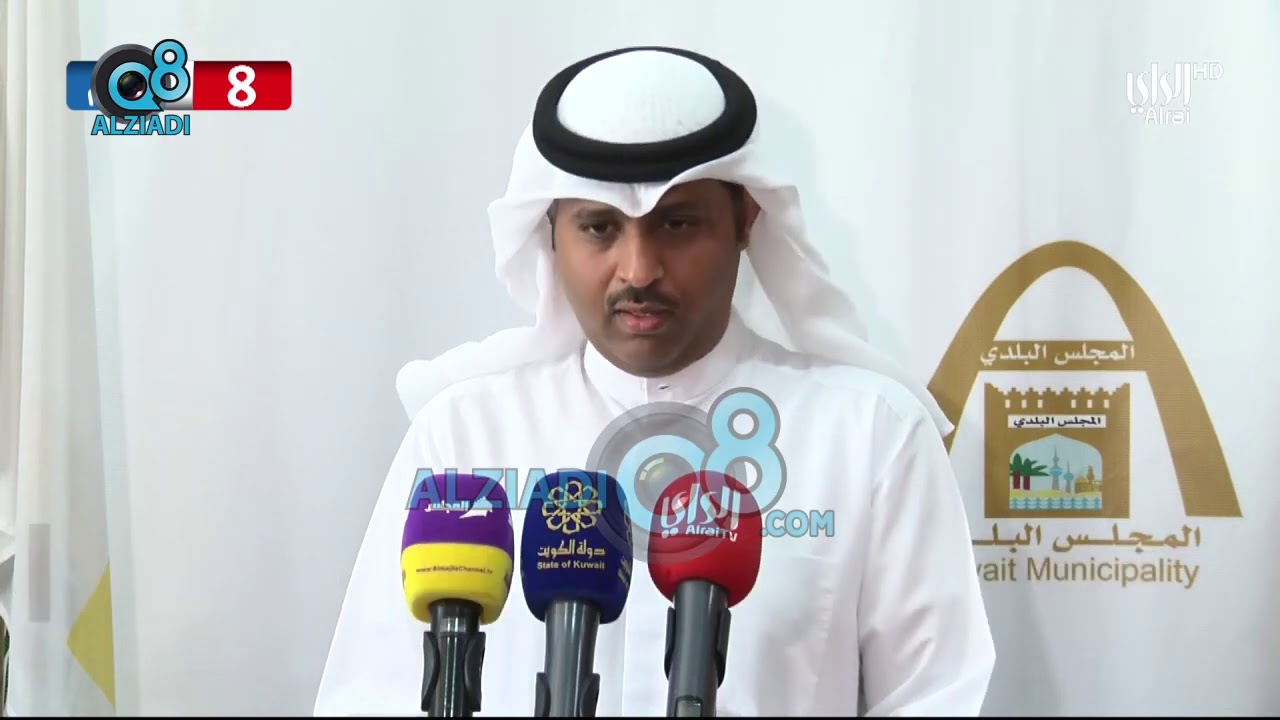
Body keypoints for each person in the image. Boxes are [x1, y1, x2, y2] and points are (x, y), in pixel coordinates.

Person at [314, 46, 995, 716]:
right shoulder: (463, 437)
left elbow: (936, 697)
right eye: (599, 227)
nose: (638, 270)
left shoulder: (869, 435)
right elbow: (373, 696)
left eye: (677, 223)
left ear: (744, 221)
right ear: (550, 232)